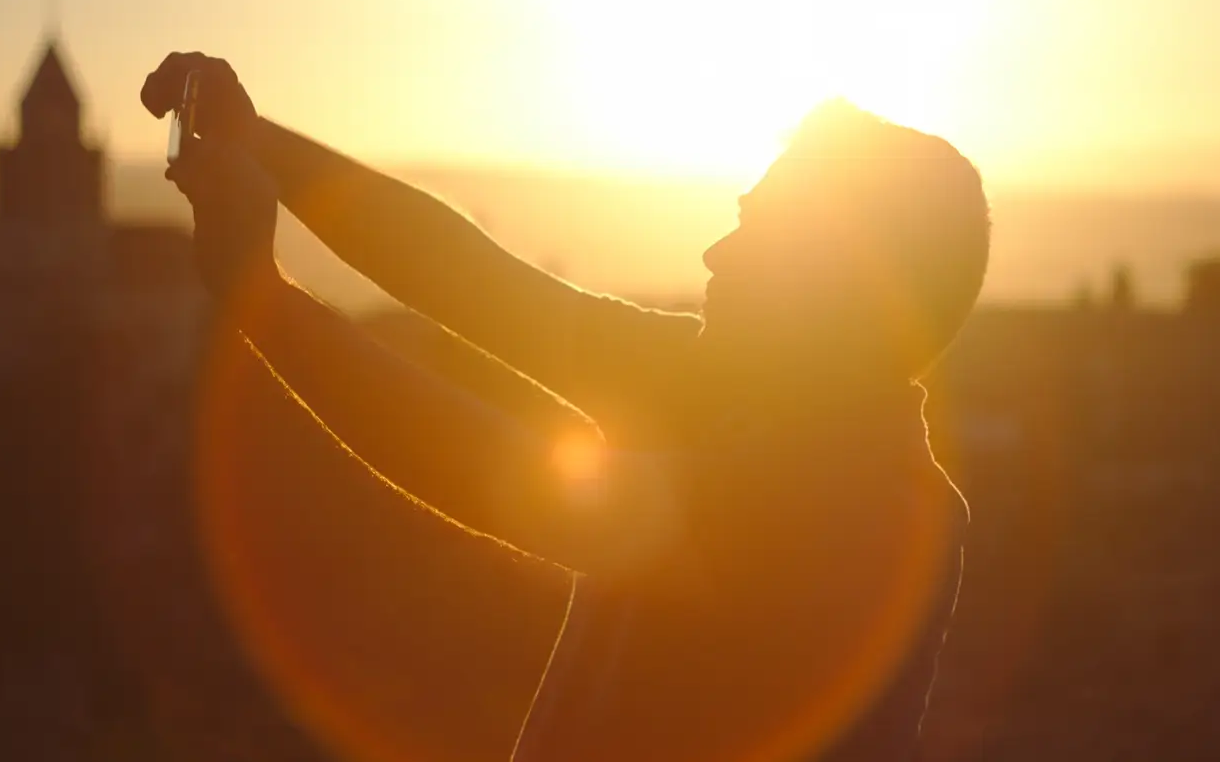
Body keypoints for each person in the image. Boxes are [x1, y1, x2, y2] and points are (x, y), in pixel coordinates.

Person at [141, 54, 987, 762]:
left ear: (836, 288)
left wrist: (261, 298)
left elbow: (498, 478)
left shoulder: (873, 511)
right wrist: (261, 143)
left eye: (758, 231)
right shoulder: (727, 386)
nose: (715, 250)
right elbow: (474, 280)